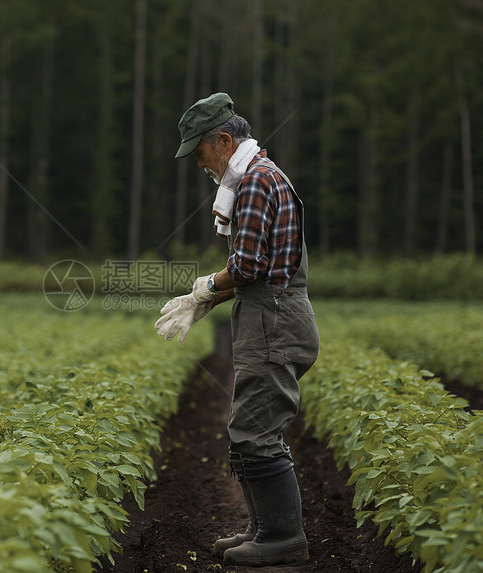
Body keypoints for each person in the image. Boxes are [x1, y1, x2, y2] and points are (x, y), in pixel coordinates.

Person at [155, 92, 319, 567]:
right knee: (249, 427)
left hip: (275, 325)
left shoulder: (254, 183)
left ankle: (283, 536)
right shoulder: (263, 176)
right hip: (272, 319)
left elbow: (246, 266)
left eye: (201, 154)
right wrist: (203, 302)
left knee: (255, 432)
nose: (200, 165)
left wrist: (203, 287)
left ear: (224, 140)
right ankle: (262, 527)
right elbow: (259, 268)